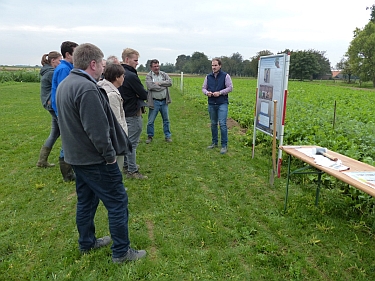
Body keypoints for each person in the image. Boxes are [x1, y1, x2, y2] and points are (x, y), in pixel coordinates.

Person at [56, 43, 146, 263]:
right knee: (117, 202)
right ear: (93, 63)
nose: (104, 69)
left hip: (76, 157)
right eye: (102, 64)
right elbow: (97, 130)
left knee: (86, 202)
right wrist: (109, 157)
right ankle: (121, 252)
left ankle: (87, 242)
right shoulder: (87, 88)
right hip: (95, 160)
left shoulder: (66, 84)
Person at [119, 48, 148, 179]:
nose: (137, 63)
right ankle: (132, 170)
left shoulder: (120, 73)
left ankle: (126, 165)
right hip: (132, 111)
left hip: (123, 111)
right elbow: (143, 93)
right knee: (132, 142)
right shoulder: (130, 75)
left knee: (126, 140)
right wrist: (139, 94)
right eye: (135, 60)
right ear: (127, 59)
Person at [51, 41, 78, 182]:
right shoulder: (63, 69)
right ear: (68, 54)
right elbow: (65, 92)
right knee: (67, 139)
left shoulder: (67, 67)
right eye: (76, 53)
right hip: (63, 111)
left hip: (63, 110)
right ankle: (67, 174)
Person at [97, 63, 127, 171]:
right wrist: (122, 138)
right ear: (116, 77)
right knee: (116, 166)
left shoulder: (102, 86)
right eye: (123, 76)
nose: (124, 78)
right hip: (115, 138)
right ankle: (115, 187)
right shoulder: (112, 95)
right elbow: (116, 120)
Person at [36, 51, 62, 168]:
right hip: (52, 105)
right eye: (59, 60)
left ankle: (42, 161)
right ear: (53, 61)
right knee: (66, 132)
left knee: (55, 133)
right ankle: (66, 161)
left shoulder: (47, 71)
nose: (60, 62)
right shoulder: (51, 73)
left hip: (50, 105)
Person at [202, 58, 233, 154]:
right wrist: (207, 93)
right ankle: (214, 142)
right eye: (212, 65)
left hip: (222, 103)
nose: (214, 67)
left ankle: (224, 145)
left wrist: (220, 93)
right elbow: (203, 88)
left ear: (220, 66)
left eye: (215, 65)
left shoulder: (225, 76)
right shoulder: (208, 77)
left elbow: (230, 87)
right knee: (213, 124)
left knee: (222, 124)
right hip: (211, 103)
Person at [145, 59, 173, 144]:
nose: (157, 68)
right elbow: (151, 86)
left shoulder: (163, 74)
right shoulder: (148, 76)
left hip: (164, 101)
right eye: (155, 66)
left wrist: (159, 83)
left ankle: (167, 136)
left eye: (157, 66)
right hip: (154, 102)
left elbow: (170, 82)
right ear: (151, 67)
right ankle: (150, 136)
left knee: (166, 120)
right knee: (151, 121)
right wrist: (163, 86)